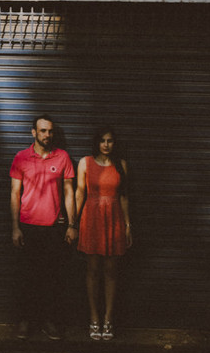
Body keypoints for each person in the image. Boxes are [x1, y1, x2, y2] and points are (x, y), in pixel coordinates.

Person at [9, 114, 77, 340]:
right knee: (27, 277)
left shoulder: (63, 157)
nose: (48, 135)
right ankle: (25, 322)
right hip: (28, 227)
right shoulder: (21, 158)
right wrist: (15, 227)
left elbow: (69, 193)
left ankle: (49, 322)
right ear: (34, 133)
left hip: (53, 229)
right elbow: (15, 194)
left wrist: (71, 224)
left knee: (52, 278)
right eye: (43, 131)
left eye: (50, 131)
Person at [75, 126, 132, 341]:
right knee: (92, 269)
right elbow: (80, 192)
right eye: (102, 141)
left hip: (114, 219)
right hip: (91, 218)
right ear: (96, 142)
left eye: (110, 141)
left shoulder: (122, 165)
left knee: (110, 271)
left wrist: (127, 225)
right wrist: (73, 222)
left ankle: (108, 319)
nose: (106, 145)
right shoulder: (85, 163)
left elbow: (124, 196)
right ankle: (94, 318)